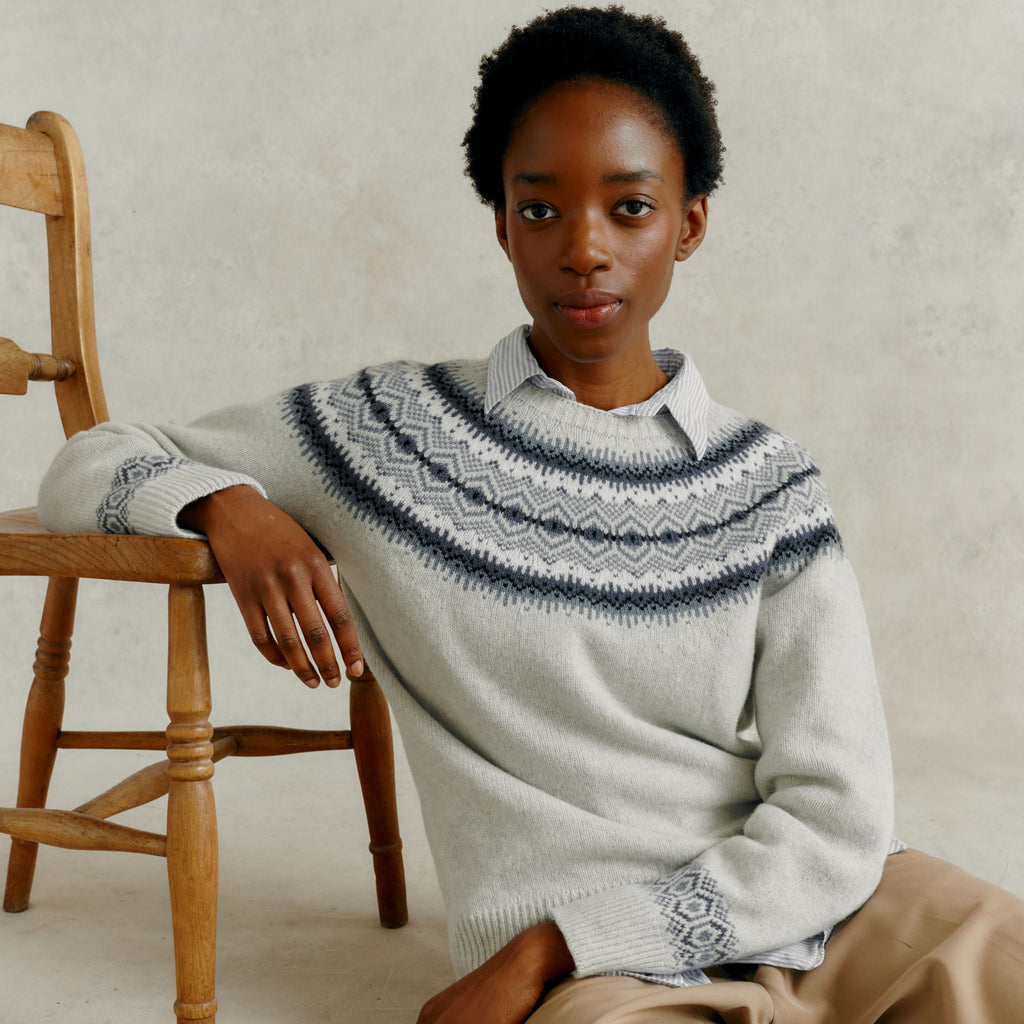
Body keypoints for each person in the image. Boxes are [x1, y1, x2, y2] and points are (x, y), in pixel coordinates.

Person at [37, 6, 1023, 1023]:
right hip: (600, 987)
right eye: (542, 210)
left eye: (630, 207)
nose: (584, 249)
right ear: (502, 224)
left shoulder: (766, 480)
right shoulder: (391, 434)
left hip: (819, 913)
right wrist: (226, 506)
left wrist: (550, 945)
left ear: (689, 221)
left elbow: (837, 815)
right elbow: (89, 462)